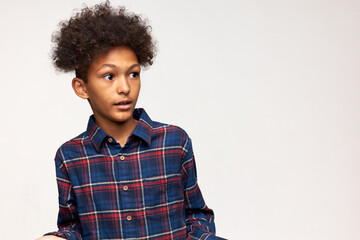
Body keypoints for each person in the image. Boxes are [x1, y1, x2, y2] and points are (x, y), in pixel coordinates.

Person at [38, 1, 225, 239]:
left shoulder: (175, 142)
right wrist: (59, 238)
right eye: (109, 76)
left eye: (133, 74)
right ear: (82, 87)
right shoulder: (70, 156)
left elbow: (195, 215)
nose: (125, 87)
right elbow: (74, 226)